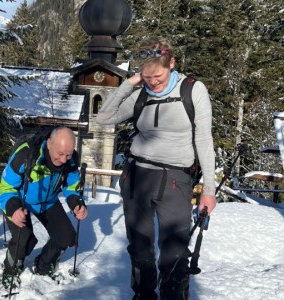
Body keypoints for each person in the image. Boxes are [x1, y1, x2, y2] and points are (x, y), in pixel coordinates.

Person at [96, 37, 216, 300]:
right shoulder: (140, 93)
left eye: (158, 76)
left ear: (171, 63)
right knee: (139, 248)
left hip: (176, 180)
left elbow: (204, 140)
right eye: (146, 76)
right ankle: (143, 295)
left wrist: (209, 189)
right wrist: (129, 84)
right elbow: (103, 117)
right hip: (138, 177)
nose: (153, 82)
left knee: (174, 252)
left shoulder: (193, 90)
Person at [0, 127, 88, 288]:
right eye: (60, 154)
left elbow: (72, 186)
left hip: (48, 201)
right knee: (24, 238)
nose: (64, 160)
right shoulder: (26, 154)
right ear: (48, 144)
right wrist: (13, 209)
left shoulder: (70, 160)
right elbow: (6, 188)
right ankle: (11, 269)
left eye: (68, 155)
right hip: (21, 201)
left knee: (66, 236)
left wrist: (76, 204)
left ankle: (43, 265)